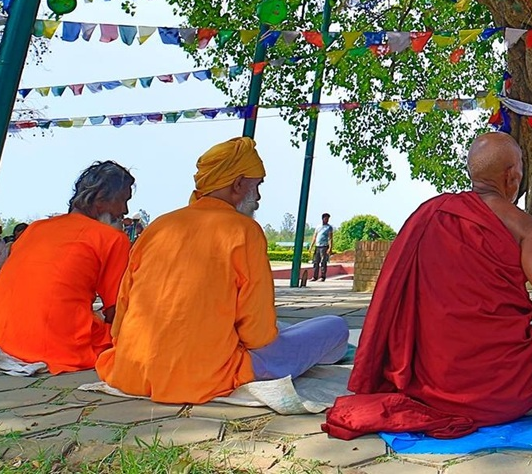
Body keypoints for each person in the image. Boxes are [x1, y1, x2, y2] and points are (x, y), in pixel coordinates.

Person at [324, 132, 532, 440]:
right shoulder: (522, 225)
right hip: (506, 378)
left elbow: (391, 300)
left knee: (465, 374)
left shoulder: (429, 214)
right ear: (512, 175)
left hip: (435, 384)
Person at [96, 136, 348, 404]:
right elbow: (257, 335)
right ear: (238, 185)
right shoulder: (244, 230)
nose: (258, 197)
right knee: (334, 327)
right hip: (206, 375)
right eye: (257, 186)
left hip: (131, 370)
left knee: (280, 327)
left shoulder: (157, 227)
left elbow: (121, 316)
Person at [0, 162, 134, 373]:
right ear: (100, 200)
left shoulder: (35, 228)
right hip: (53, 343)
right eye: (123, 201)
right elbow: (116, 308)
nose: (125, 211)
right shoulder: (113, 238)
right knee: (130, 335)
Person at [310, 212, 333, 282]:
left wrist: (330, 247)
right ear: (323, 219)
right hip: (317, 246)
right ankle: (314, 276)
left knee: (323, 262)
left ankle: (322, 276)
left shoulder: (329, 227)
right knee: (316, 262)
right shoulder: (318, 227)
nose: (327, 220)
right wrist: (311, 246)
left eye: (328, 219)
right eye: (326, 218)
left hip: (324, 246)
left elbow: (330, 238)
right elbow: (314, 236)